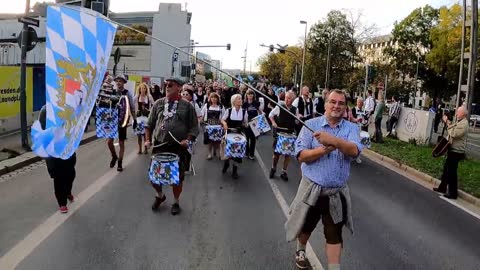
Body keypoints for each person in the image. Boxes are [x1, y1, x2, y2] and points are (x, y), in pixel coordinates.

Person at [285, 89, 363, 270]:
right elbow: (301, 155)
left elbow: (354, 151)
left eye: (341, 103)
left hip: (336, 193)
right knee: (305, 226)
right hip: (311, 190)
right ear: (325, 104)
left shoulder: (351, 128)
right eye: (333, 102)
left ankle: (334, 267)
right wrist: (322, 150)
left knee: (334, 234)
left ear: (345, 107)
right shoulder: (310, 125)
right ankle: (301, 250)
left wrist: (333, 140)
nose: (337, 106)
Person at [145, 77, 199, 215]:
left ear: (179, 88)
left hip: (178, 147)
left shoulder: (187, 106)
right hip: (159, 145)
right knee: (154, 177)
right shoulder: (158, 103)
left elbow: (194, 128)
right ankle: (160, 196)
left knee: (177, 178)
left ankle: (176, 201)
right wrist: (147, 141)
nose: (167, 87)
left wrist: (188, 140)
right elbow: (149, 125)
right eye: (166, 84)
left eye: (171, 85)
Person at [39, 105, 77, 214]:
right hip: (53, 150)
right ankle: (62, 202)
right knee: (58, 176)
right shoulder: (45, 110)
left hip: (67, 147)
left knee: (71, 174)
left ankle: (67, 191)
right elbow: (42, 131)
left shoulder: (68, 108)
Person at [433, 106, 468, 199]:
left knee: (452, 172)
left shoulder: (464, 124)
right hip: (452, 149)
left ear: (463, 114)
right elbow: (452, 127)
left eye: (458, 112)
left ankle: (453, 193)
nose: (456, 113)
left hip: (457, 151)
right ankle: (443, 188)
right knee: (446, 169)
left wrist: (448, 123)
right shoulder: (459, 122)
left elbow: (454, 133)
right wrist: (448, 122)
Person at [269, 91, 299, 181]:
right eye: (286, 97)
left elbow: (296, 121)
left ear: (293, 99)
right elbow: (271, 115)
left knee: (287, 155)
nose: (287, 99)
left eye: (289, 98)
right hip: (279, 134)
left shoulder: (295, 109)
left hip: (289, 134)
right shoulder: (279, 107)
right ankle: (273, 168)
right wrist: (273, 122)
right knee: (276, 154)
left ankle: (284, 172)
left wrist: (298, 120)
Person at [108, 75, 135, 172]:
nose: (119, 82)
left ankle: (120, 162)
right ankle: (114, 156)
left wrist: (134, 119)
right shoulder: (113, 92)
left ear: (124, 82)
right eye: (117, 81)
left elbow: (132, 107)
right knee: (109, 142)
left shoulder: (127, 93)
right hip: (112, 120)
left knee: (121, 142)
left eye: (121, 81)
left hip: (123, 120)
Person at [221, 94, 248, 179]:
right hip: (229, 133)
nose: (241, 100)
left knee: (238, 153)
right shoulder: (228, 110)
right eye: (239, 99)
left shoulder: (244, 111)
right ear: (234, 101)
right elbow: (222, 119)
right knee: (227, 151)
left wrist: (246, 125)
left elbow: (245, 123)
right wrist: (225, 123)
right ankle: (226, 163)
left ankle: (235, 170)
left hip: (238, 134)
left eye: (241, 98)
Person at [201, 92, 225, 159]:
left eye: (215, 97)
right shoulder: (207, 106)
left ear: (217, 99)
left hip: (218, 126)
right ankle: (209, 153)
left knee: (218, 141)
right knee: (209, 141)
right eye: (212, 97)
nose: (214, 99)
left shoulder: (221, 106)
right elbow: (201, 114)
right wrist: (201, 120)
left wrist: (223, 124)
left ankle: (217, 152)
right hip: (208, 126)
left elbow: (224, 117)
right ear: (210, 98)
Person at [134, 83, 155, 154]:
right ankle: (139, 149)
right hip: (139, 117)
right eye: (141, 88)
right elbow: (132, 104)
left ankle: (145, 148)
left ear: (146, 89)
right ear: (139, 89)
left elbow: (154, 105)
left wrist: (149, 110)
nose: (143, 90)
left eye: (144, 88)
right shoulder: (137, 96)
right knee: (139, 135)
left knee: (145, 134)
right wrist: (135, 110)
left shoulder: (149, 97)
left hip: (146, 117)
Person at [243, 89, 262, 160]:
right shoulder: (244, 104)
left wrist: (261, 115)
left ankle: (251, 154)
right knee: (246, 138)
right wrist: (244, 122)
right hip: (247, 123)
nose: (250, 96)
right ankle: (246, 152)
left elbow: (260, 112)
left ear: (253, 95)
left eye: (251, 94)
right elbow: (243, 113)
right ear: (246, 95)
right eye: (249, 94)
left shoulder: (256, 103)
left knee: (253, 139)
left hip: (254, 123)